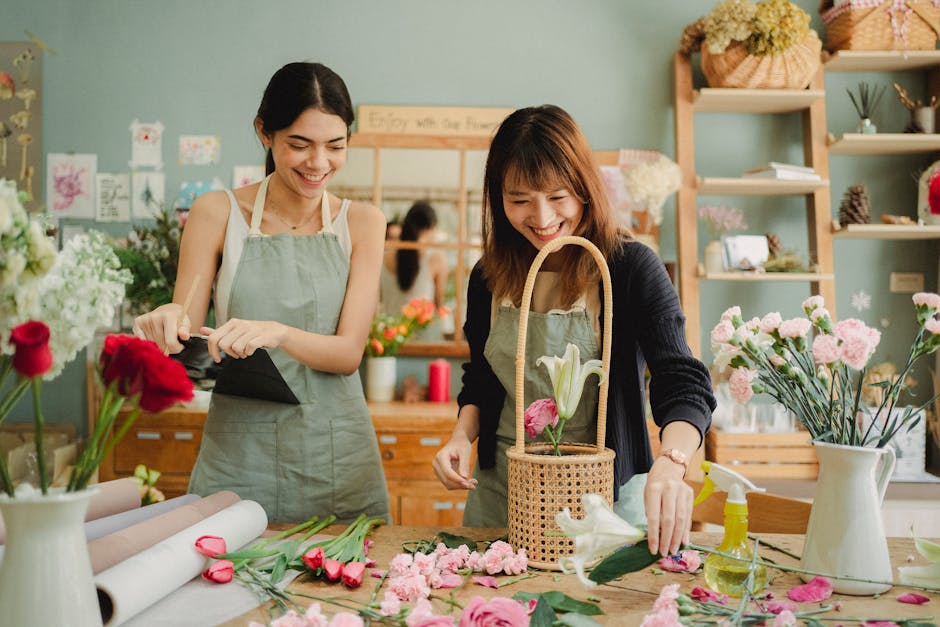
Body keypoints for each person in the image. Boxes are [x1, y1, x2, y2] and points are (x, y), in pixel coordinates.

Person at [431, 105, 715, 556]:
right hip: (503, 492)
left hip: (607, 496)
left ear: (586, 189)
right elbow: (483, 378)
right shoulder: (488, 276)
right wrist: (461, 437)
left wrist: (673, 462)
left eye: (558, 196)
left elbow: (682, 380)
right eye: (520, 199)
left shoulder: (630, 268)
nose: (541, 217)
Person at [132, 62, 390, 524]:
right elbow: (185, 331)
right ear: (264, 133)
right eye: (299, 144)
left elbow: (349, 353)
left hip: (337, 453)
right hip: (238, 451)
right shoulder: (217, 212)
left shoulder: (363, 223)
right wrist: (165, 322)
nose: (318, 163)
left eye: (335, 146)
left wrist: (279, 333)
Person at [379, 201, 448, 341]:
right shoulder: (435, 259)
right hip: (423, 341)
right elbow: (439, 303)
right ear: (431, 227)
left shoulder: (383, 258)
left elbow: (379, 299)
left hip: (390, 339)